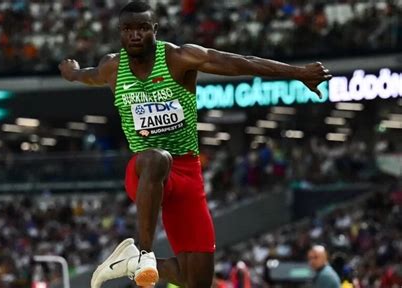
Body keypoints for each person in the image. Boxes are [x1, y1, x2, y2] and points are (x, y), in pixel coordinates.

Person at [58, 2, 331, 287]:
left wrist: (298, 73)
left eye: (142, 28)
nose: (135, 35)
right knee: (157, 157)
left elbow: (242, 62)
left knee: (196, 280)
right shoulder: (113, 67)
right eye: (128, 29)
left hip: (187, 173)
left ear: (154, 30)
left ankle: (126, 263)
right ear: (120, 33)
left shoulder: (179, 58)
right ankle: (143, 253)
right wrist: (71, 71)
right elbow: (85, 75)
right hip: (144, 173)